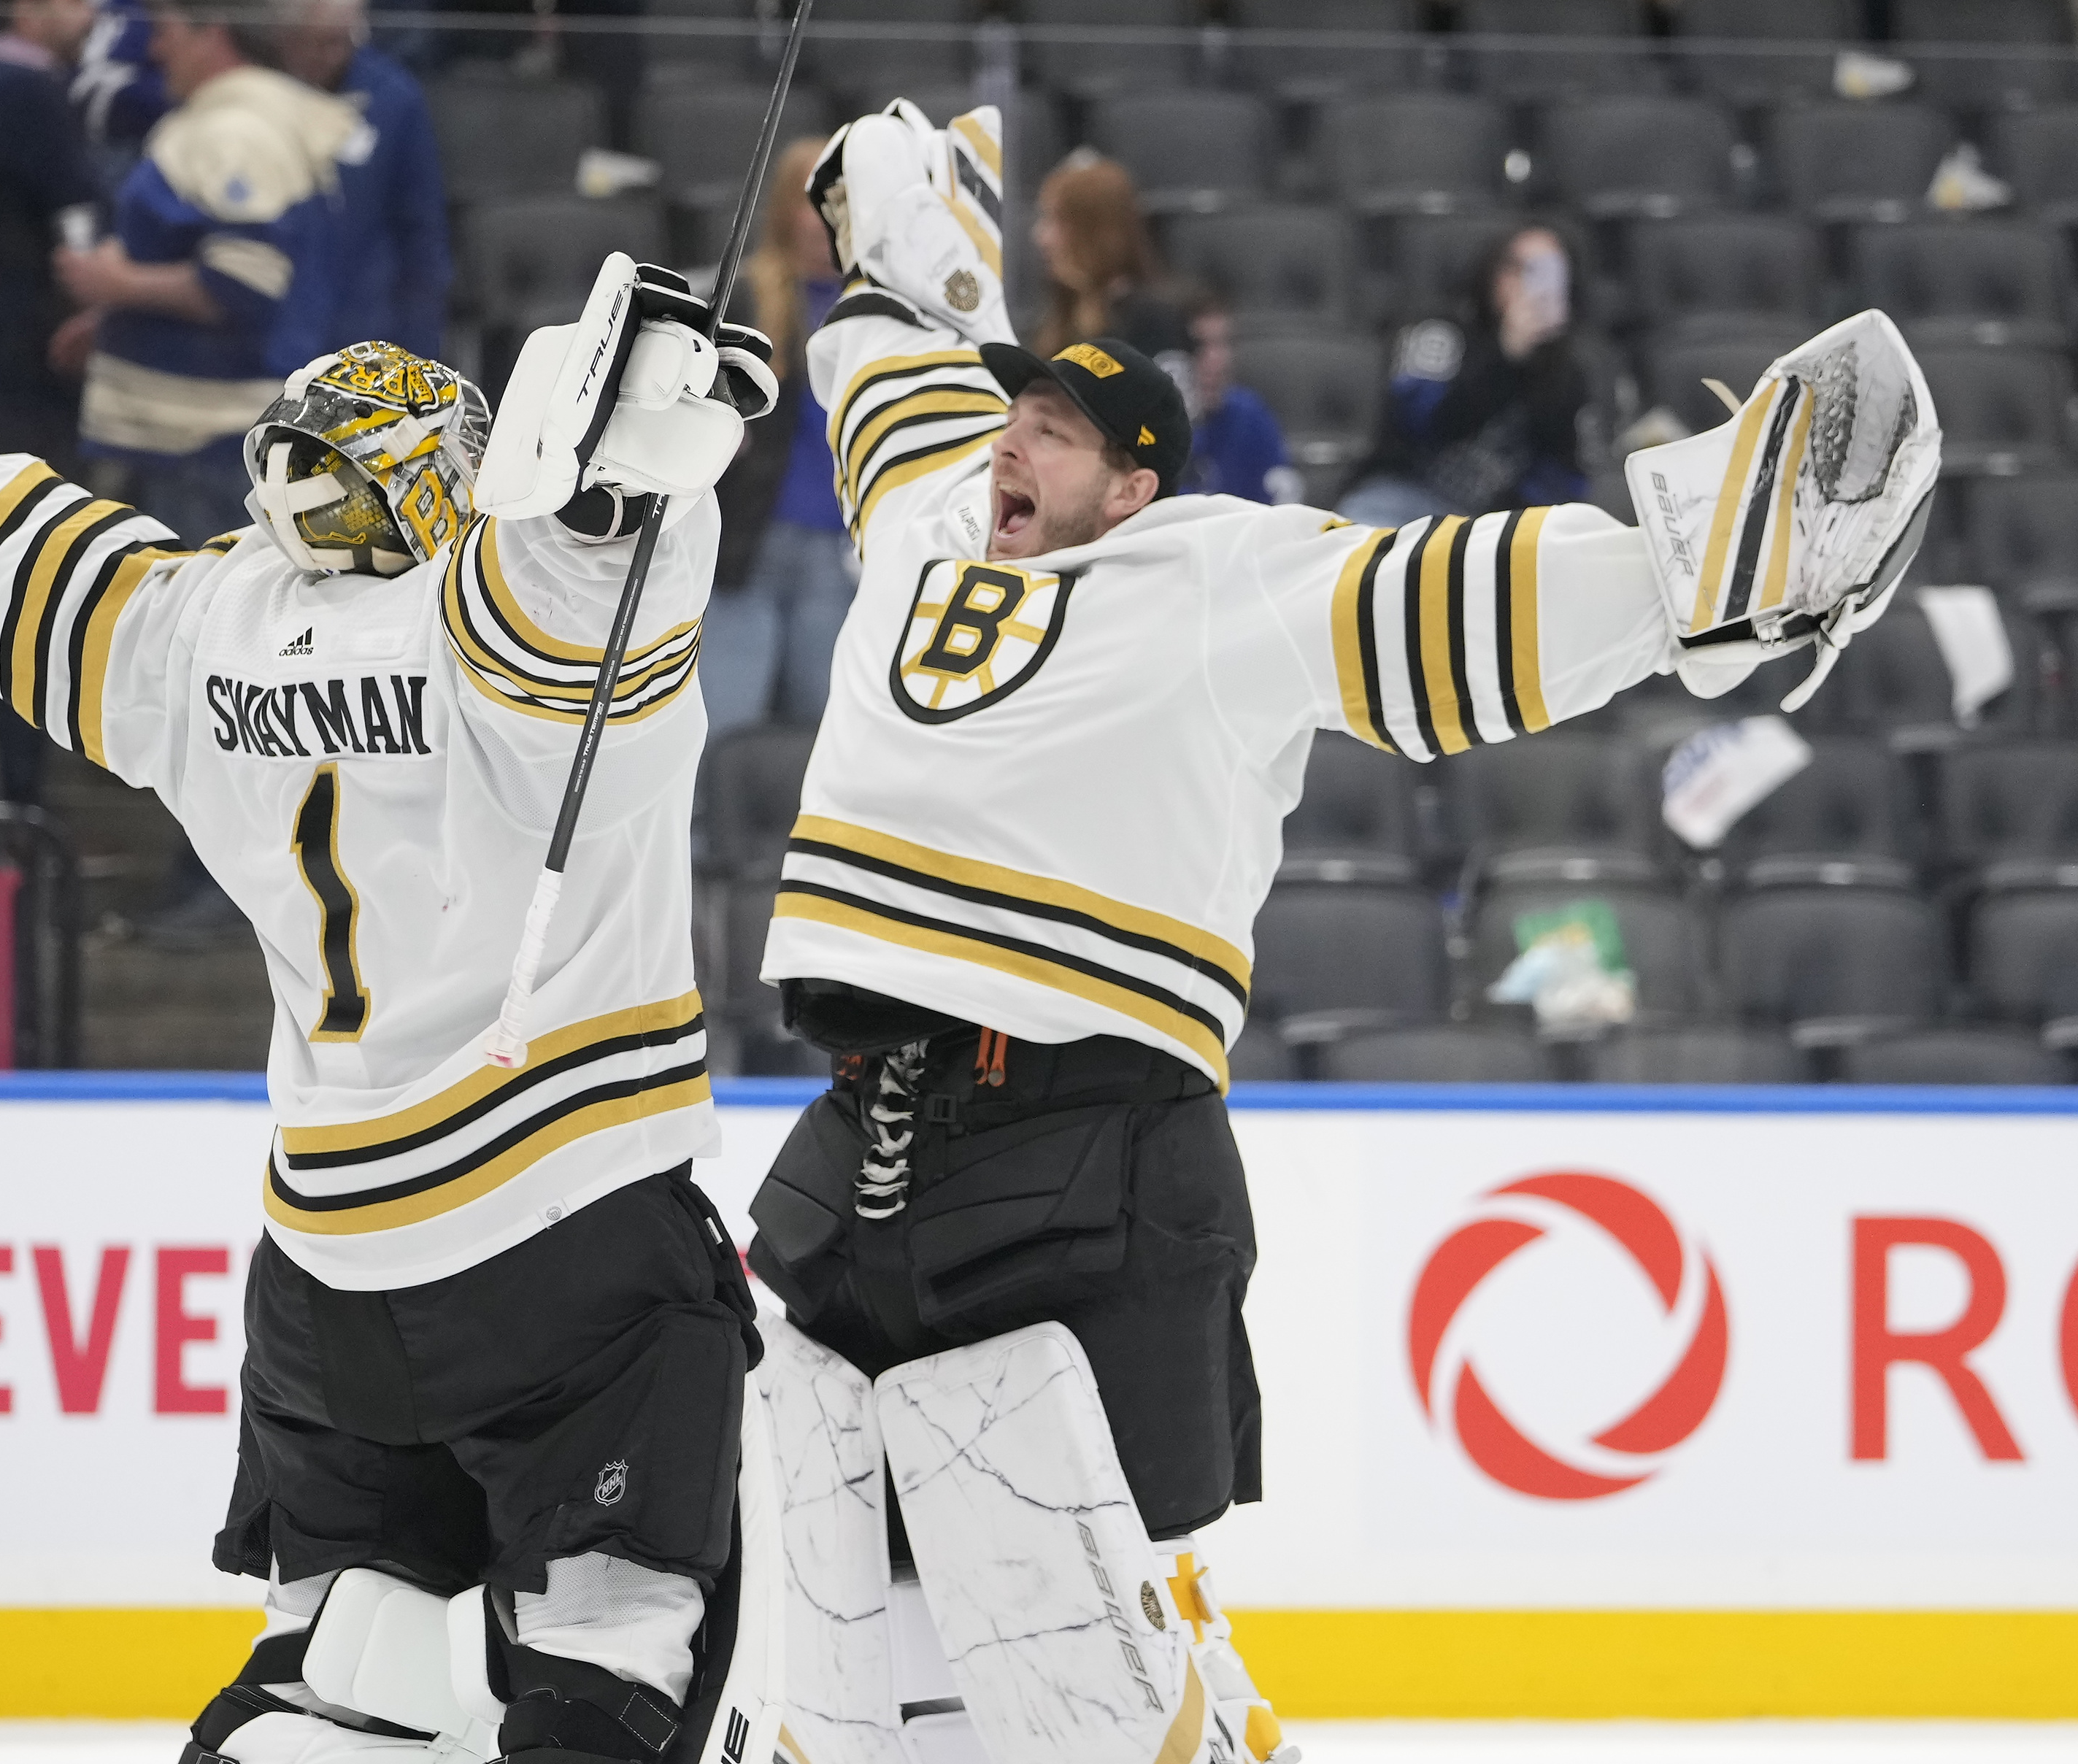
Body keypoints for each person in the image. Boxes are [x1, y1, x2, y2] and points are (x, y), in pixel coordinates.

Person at [744, 99, 1938, 1764]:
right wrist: (889, 242)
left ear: (1136, 484)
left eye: (1056, 433)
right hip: (852, 1129)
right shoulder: (930, 509)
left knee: (1060, 1678)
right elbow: (888, 373)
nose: (1012, 441)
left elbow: (1448, 606)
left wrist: (1703, 573)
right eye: (1008, 414)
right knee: (843, 1676)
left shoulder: (1211, 571)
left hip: (1077, 1140)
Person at [0, 229, 781, 1764]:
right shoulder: (489, 631)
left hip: (327, 1271)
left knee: (340, 1671)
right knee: (607, 1652)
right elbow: (567, 610)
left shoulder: (201, 627)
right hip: (567, 1245)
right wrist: (619, 501)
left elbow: (11, 555)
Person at [55, 0, 356, 548]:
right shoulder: (239, 121)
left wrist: (118, 287)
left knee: (193, 618)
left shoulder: (234, 133)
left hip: (208, 439)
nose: (154, 49)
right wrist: (115, 317)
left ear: (212, 33)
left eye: (165, 31)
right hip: (205, 434)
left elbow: (244, 282)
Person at [704, 135, 848, 736]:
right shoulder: (745, 294)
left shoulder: (877, 311)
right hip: (748, 546)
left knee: (824, 739)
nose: (824, 221)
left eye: (838, 203)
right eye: (810, 203)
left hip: (838, 552)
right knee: (720, 734)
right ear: (784, 210)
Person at [0, 0, 103, 469]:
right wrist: (93, 299)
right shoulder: (22, 88)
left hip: (0, 331)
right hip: (24, 347)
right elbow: (75, 211)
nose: (91, 14)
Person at [1337, 223, 1590, 530]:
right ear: (1494, 271)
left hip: (1491, 523)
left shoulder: (1568, 370)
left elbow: (1564, 474)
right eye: (1521, 269)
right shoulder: (1437, 332)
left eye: (1549, 273)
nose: (1531, 285)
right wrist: (1506, 353)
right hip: (1405, 495)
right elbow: (1420, 423)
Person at [274, 0, 450, 366]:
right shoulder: (260, 95)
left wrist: (420, 356)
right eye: (310, 42)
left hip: (364, 327)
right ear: (284, 38)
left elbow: (421, 231)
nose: (325, 56)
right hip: (275, 325)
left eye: (337, 42)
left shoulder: (395, 99)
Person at [1031, 150, 1184, 369]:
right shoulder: (1057, 322)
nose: (1041, 237)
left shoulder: (1152, 322)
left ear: (1096, 232)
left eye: (1057, 221)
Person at [1183, 285, 1300, 506]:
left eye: (1226, 343)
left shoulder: (1250, 415)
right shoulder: (1151, 430)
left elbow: (1281, 506)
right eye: (1200, 345)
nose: (1218, 361)